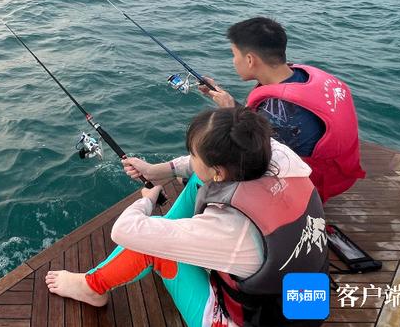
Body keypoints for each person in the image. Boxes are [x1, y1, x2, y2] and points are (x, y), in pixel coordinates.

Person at [46, 107, 328, 327]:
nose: (190, 158)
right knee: (198, 184)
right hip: (302, 306)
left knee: (153, 248)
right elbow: (204, 171)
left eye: (194, 154)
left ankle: (91, 287)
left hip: (249, 319)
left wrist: (146, 201)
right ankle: (174, 230)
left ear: (218, 170)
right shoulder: (278, 156)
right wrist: (161, 170)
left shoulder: (232, 228)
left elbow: (124, 231)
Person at [198, 17, 365, 202]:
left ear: (250, 59)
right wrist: (228, 101)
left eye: (234, 55)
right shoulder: (301, 76)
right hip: (342, 171)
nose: (233, 61)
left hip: (314, 186)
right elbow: (266, 120)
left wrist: (229, 112)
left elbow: (252, 154)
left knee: (211, 172)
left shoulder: (280, 114)